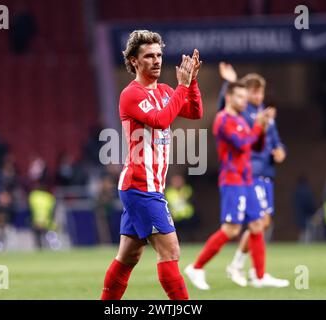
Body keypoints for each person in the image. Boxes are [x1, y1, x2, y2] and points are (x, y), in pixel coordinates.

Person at [101, 30, 203, 300]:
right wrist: (182, 88)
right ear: (134, 61)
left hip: (147, 187)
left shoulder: (166, 91)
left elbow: (195, 111)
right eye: (149, 56)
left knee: (128, 257)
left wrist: (190, 83)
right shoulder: (130, 94)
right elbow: (160, 120)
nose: (157, 60)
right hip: (140, 186)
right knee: (170, 252)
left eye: (159, 55)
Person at [185, 81, 288, 289]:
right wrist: (258, 125)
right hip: (232, 180)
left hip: (247, 178)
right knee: (231, 230)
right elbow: (242, 144)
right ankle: (196, 267)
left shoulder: (241, 119)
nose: (244, 100)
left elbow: (255, 146)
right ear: (230, 98)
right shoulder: (223, 120)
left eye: (245, 96)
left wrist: (263, 127)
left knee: (258, 225)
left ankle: (259, 276)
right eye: (240, 97)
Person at [217, 63, 288, 287]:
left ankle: (247, 269)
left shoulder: (266, 114)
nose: (258, 95)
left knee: (261, 223)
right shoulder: (242, 112)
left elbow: (276, 142)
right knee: (260, 222)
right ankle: (246, 269)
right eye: (254, 91)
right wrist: (229, 82)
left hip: (267, 174)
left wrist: (280, 151)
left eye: (261, 91)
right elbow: (223, 108)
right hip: (251, 173)